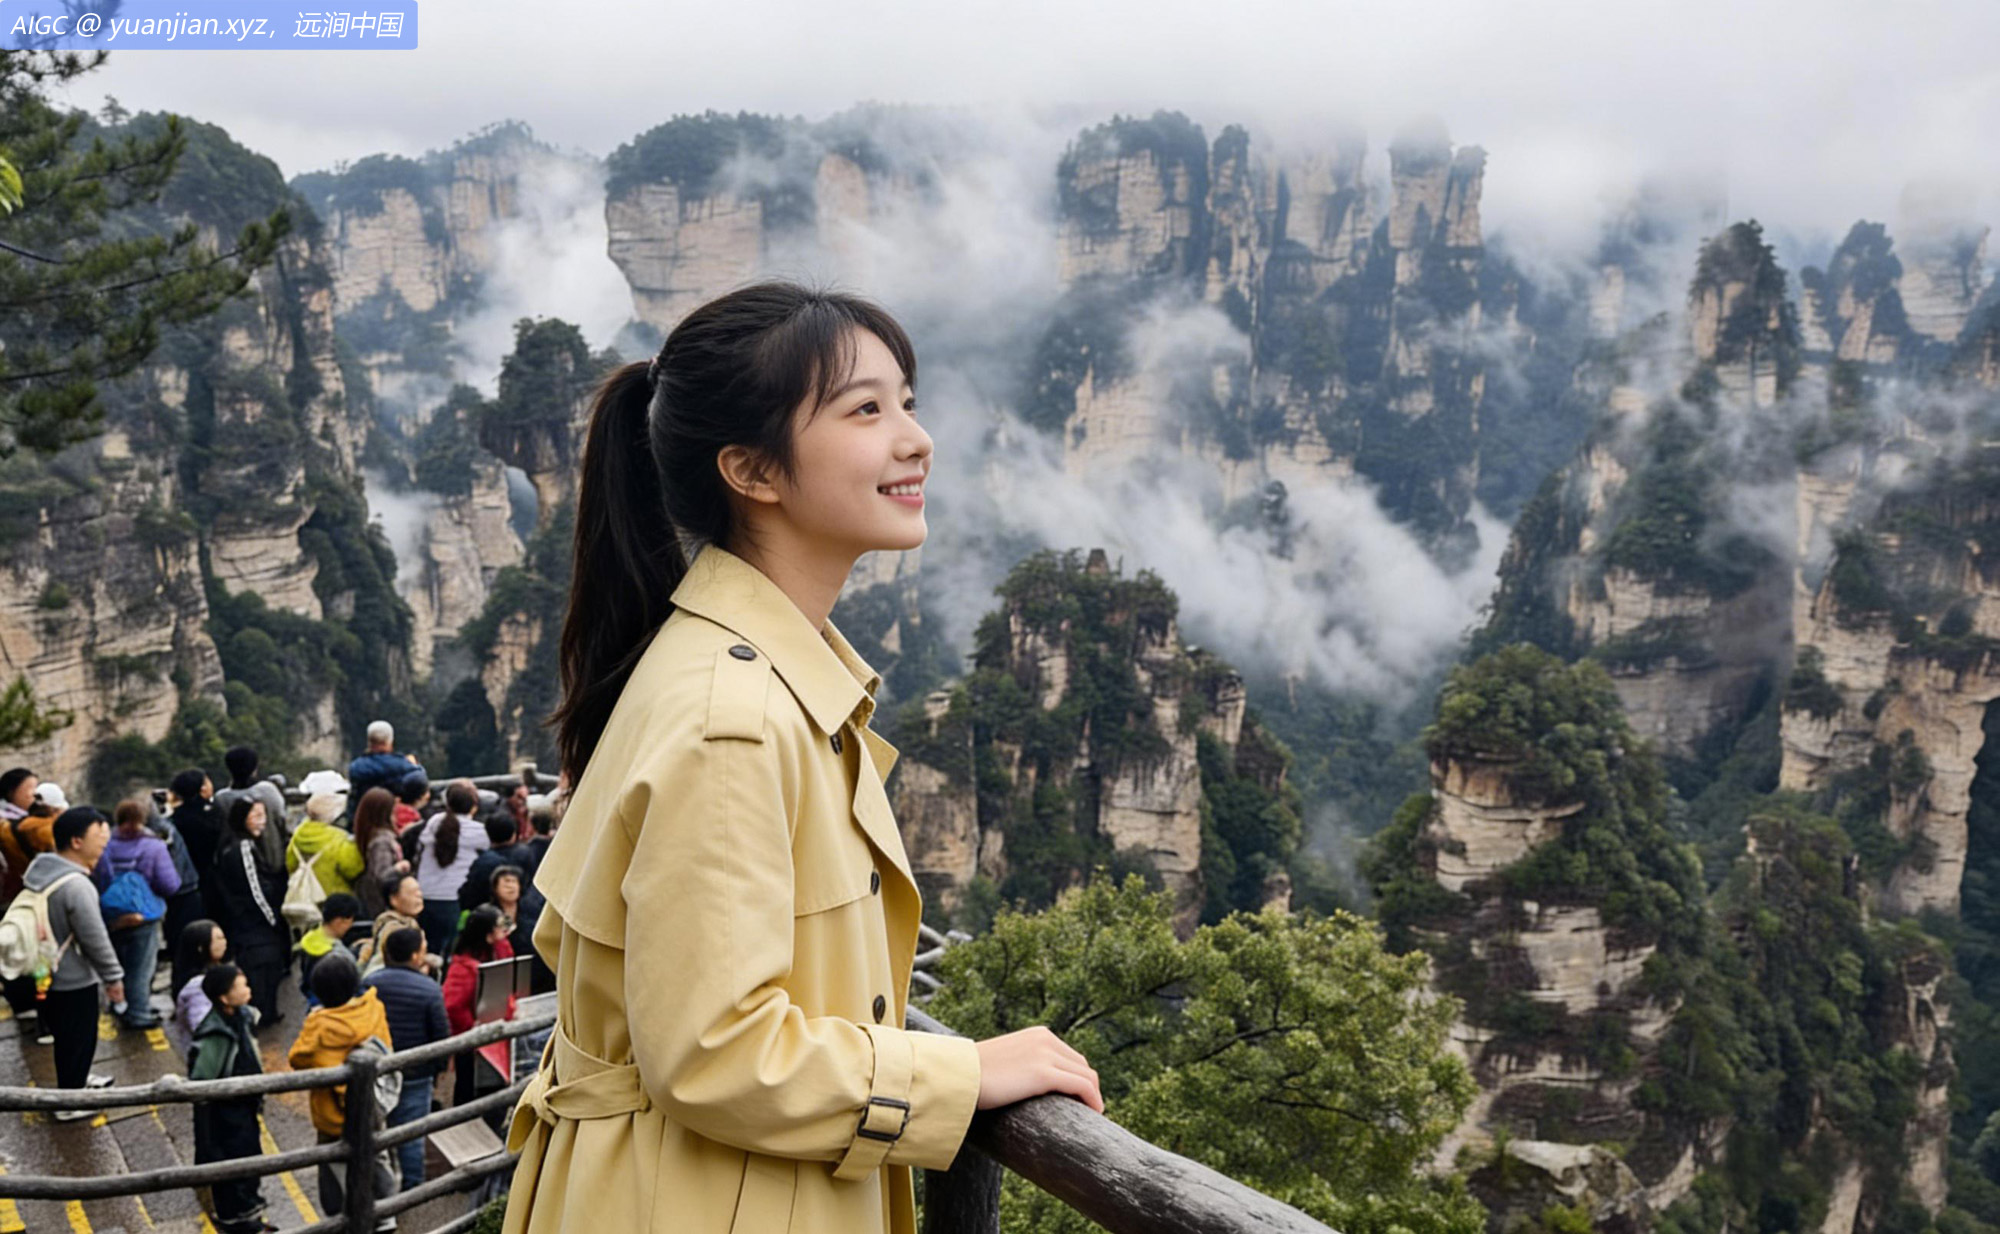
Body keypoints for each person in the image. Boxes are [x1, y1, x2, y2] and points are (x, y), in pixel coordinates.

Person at [500, 284, 1101, 1234]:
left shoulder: (752, 676)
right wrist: (965, 1073)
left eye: (907, 400)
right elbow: (712, 1050)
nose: (914, 438)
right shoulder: (730, 720)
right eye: (866, 409)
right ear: (752, 470)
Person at [26, 806, 125, 1118]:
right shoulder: (76, 885)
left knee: (67, 1037)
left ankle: (77, 1081)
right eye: (98, 834)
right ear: (76, 841)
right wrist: (114, 977)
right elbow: (94, 938)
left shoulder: (41, 871)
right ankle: (70, 1103)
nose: (104, 841)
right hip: (72, 977)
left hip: (45, 969)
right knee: (77, 1038)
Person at [287, 952, 395, 1229]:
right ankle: (385, 1216)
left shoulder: (320, 1025)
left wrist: (314, 1019)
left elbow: (298, 1058)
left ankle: (346, 1224)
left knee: (336, 1183)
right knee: (377, 1161)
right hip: (373, 1110)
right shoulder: (373, 1007)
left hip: (334, 1121)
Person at [187, 963, 272, 1234]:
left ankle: (251, 1215)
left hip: (246, 1105)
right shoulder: (214, 1034)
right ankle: (236, 1221)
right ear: (224, 998)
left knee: (251, 1157)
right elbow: (201, 1081)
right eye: (241, 986)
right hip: (225, 1113)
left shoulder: (244, 1016)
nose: (248, 989)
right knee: (233, 1165)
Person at [362, 926, 449, 1188]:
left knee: (375, 1134)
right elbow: (440, 1035)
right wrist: (438, 1069)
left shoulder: (369, 983)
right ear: (414, 956)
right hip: (416, 1074)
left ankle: (376, 1189)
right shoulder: (429, 989)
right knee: (412, 1137)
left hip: (377, 1073)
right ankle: (412, 1189)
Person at [92, 798, 181, 1029]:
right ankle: (139, 1013)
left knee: (115, 965)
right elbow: (170, 884)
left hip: (110, 913)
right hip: (143, 916)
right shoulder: (153, 846)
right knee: (140, 968)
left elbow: (97, 878)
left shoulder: (104, 843)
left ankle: (118, 1004)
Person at [209, 796, 290, 1028]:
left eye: (263, 815)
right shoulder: (243, 847)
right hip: (253, 921)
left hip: (242, 920)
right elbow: (254, 887)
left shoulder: (230, 844)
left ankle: (263, 1013)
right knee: (265, 967)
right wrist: (272, 917)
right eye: (255, 816)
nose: (262, 822)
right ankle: (263, 1014)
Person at [441, 904, 511, 1109]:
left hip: (491, 1035)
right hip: (472, 1040)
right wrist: (473, 1028)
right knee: (468, 1088)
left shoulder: (493, 952)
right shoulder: (463, 967)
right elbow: (452, 1006)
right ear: (487, 933)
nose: (503, 932)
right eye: (498, 928)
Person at [408, 780, 487, 957]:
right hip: (453, 898)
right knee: (450, 951)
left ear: (447, 804)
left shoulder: (434, 822)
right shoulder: (479, 831)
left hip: (425, 895)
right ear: (474, 807)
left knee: (427, 949)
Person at [146, 790, 205, 973]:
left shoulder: (146, 832)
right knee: (186, 948)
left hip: (169, 893)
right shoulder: (163, 829)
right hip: (182, 888)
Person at [210, 747, 291, 875]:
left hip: (237, 868)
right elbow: (283, 821)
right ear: (254, 767)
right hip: (273, 861)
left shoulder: (221, 799)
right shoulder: (267, 791)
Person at [0, 767, 40, 1017]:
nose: (35, 796)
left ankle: (25, 999)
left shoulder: (26, 820)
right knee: (18, 945)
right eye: (30, 790)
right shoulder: (10, 824)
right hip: (11, 895)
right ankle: (24, 1000)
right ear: (13, 792)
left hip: (15, 893)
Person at [354, 872, 439, 976]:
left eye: (419, 891)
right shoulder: (393, 928)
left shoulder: (408, 923)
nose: (419, 895)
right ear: (393, 899)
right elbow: (382, 965)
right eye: (411, 892)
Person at [285, 791, 365, 899]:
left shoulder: (297, 835)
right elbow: (353, 869)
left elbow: (290, 864)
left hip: (304, 899)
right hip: (334, 902)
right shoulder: (338, 839)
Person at [169, 769, 225, 921]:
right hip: (212, 882)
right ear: (203, 789)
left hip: (184, 884)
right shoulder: (212, 815)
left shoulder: (175, 818)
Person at [458, 815, 537, 913]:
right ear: (513, 834)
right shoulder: (526, 854)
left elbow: (470, 894)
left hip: (488, 914)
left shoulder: (484, 861)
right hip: (520, 912)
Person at [351, 786, 408, 920]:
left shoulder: (369, 834)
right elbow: (382, 874)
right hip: (381, 903)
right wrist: (399, 868)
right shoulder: (381, 841)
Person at [172, 919, 229, 1047]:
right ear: (200, 947)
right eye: (218, 939)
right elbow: (201, 1026)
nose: (224, 942)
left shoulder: (214, 972)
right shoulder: (197, 986)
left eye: (224, 937)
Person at [296, 893, 360, 1007]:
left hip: (314, 999)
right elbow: (355, 979)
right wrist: (363, 959)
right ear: (339, 922)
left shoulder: (308, 939)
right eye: (350, 921)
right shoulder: (340, 955)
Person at [347, 721, 427, 807]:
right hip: (391, 816)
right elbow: (420, 778)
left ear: (369, 742)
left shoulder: (356, 767)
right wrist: (413, 764)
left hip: (362, 817)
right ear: (389, 740)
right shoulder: (400, 765)